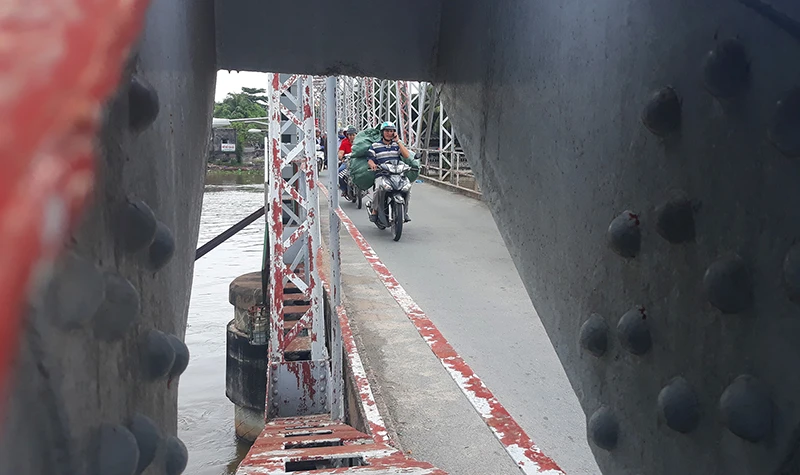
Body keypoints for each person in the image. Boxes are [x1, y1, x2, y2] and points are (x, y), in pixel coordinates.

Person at [367, 121, 412, 223]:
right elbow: (370, 159)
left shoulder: (397, 145)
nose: (389, 133)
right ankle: (375, 210)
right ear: (382, 132)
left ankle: (404, 211)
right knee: (378, 189)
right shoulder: (375, 145)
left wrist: (398, 141)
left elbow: (406, 155)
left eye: (391, 131)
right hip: (382, 174)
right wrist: (372, 164)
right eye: (387, 131)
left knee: (407, 188)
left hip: (397, 174)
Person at [337, 126, 357, 195]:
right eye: (350, 135)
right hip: (347, 162)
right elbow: (341, 152)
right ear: (347, 135)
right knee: (339, 173)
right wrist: (341, 157)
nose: (352, 137)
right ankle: (344, 189)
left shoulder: (360, 142)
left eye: (353, 135)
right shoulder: (344, 142)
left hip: (358, 162)